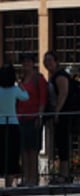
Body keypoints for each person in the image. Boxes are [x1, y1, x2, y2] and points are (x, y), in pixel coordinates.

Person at [43, 51, 80, 183]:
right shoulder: (53, 76)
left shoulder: (60, 75)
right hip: (59, 115)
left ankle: (64, 175)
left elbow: (63, 94)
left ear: (56, 61)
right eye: (45, 60)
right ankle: (62, 173)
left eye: (50, 60)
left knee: (63, 144)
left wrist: (57, 112)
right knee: (60, 144)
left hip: (64, 115)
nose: (47, 63)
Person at [17, 52, 46, 187]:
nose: (26, 64)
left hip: (34, 118)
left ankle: (33, 179)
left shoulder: (38, 79)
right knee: (23, 150)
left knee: (33, 150)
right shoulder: (21, 80)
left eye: (28, 61)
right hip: (21, 118)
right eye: (24, 62)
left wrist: (39, 116)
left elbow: (42, 99)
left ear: (33, 63)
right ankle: (26, 177)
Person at [0, 64, 29, 187]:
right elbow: (25, 97)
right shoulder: (15, 89)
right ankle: (9, 184)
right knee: (12, 154)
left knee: (1, 152)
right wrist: (21, 85)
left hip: (0, 123)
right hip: (12, 124)